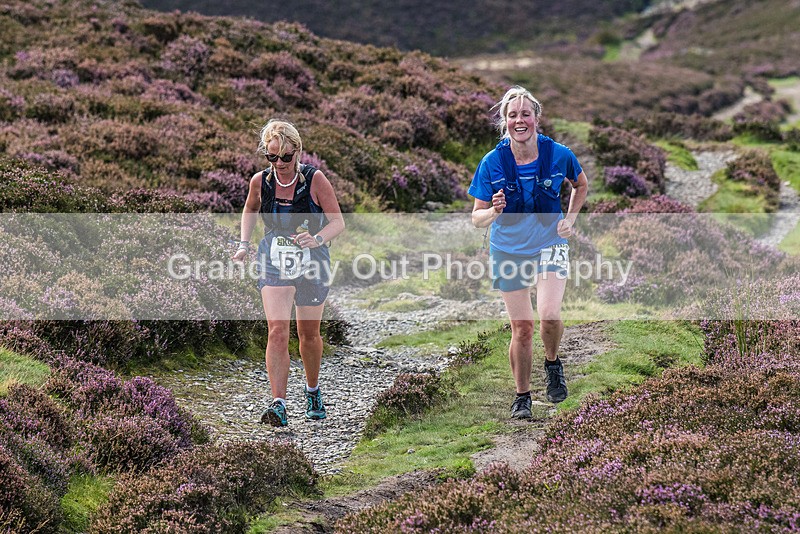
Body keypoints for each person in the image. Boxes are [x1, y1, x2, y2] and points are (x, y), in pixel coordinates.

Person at [469, 86, 588, 418]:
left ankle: (552, 363)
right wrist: (493, 212)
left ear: (537, 117)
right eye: (512, 115)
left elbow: (581, 185)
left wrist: (570, 220)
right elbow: (476, 218)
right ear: (504, 122)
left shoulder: (559, 154)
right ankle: (522, 396)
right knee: (522, 328)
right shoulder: (492, 163)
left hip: (551, 244)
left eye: (525, 113)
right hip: (507, 249)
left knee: (549, 315)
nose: (519, 120)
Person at [232, 119, 345, 427]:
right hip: (273, 257)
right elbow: (250, 210)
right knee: (277, 330)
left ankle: (312, 390)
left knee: (308, 334)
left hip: (312, 258)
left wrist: (317, 238)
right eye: (272, 157)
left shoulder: (315, 180)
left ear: (298, 151)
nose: (279, 163)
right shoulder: (261, 181)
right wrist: (244, 244)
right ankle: (278, 403)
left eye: (285, 157)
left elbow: (338, 223)